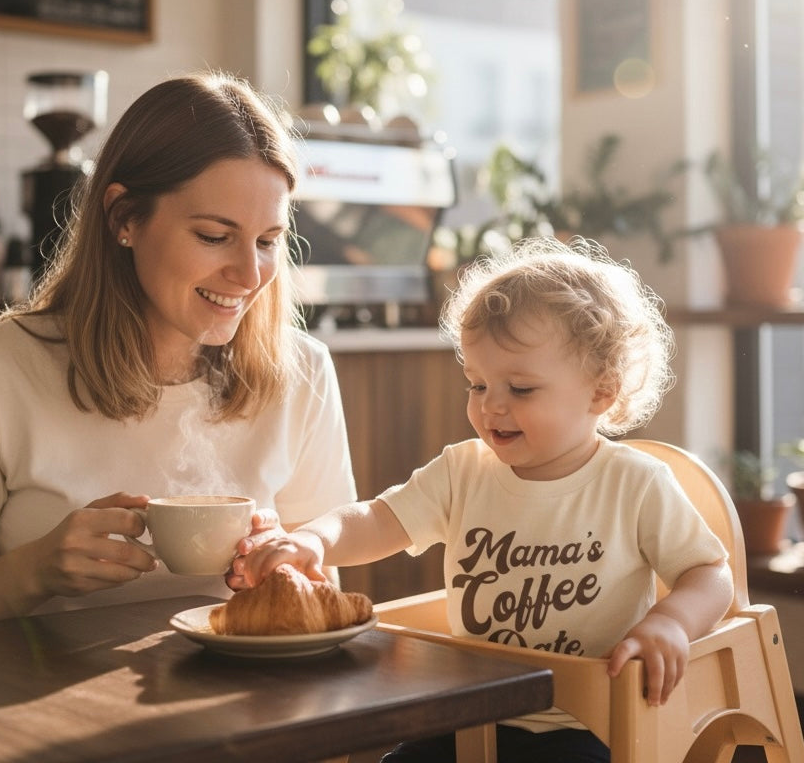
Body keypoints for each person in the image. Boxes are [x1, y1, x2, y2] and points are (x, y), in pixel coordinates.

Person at [237, 237, 734, 763]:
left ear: (600, 393)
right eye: (477, 384)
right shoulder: (463, 470)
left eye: (520, 389)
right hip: (468, 713)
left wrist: (670, 622)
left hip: (583, 724)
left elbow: (710, 572)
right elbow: (377, 520)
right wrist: (313, 540)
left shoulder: (635, 483)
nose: (491, 405)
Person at [0, 71, 357, 630]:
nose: (248, 275)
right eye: (214, 236)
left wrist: (288, 561)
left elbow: (327, 595)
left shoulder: (303, 372)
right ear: (124, 219)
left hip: (249, 702)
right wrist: (31, 575)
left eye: (267, 241)